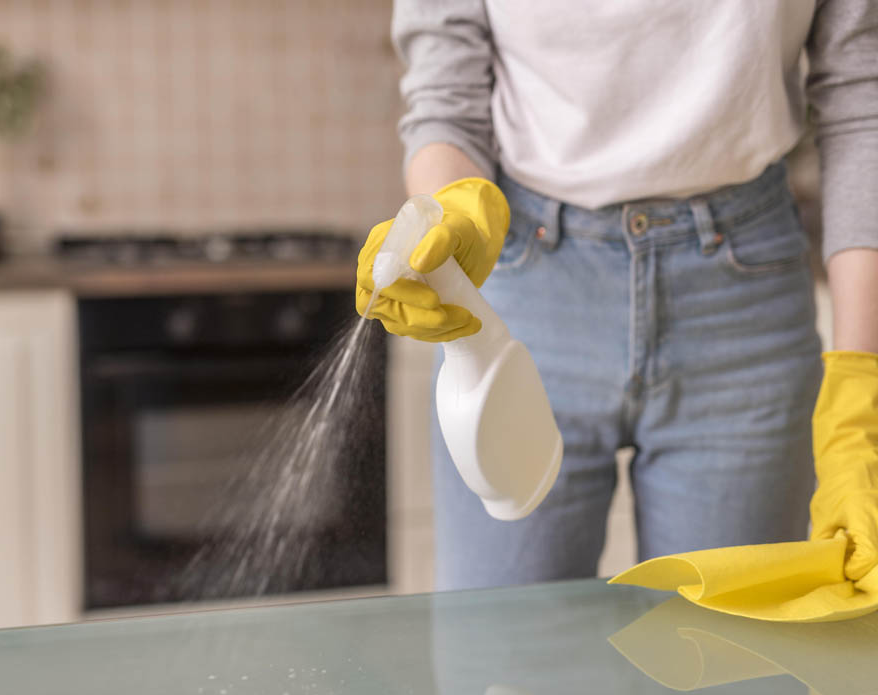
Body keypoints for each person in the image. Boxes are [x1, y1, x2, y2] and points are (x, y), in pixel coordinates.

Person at [356, 1, 878, 591]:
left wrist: (860, 389)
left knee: (733, 669)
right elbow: (446, 99)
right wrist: (446, 213)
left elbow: (864, 98)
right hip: (521, 296)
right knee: (501, 663)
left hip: (743, 307)